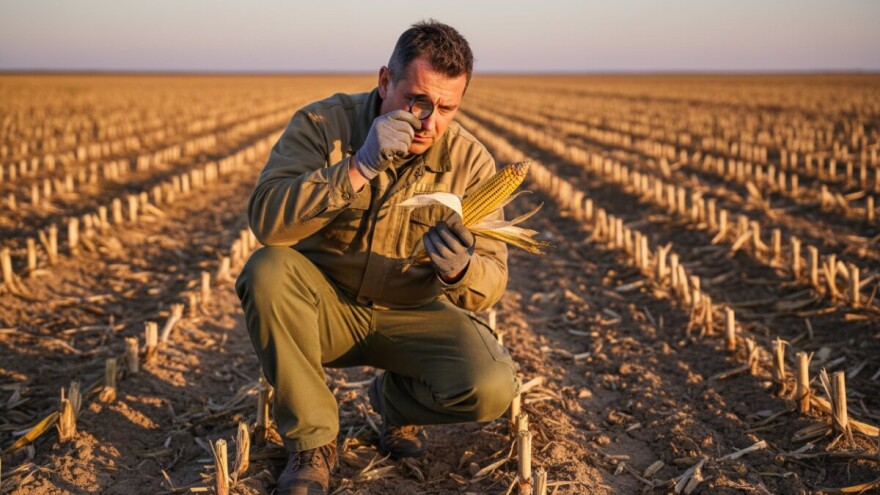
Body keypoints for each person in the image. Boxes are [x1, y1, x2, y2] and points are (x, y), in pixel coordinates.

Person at [235, 20, 517, 495]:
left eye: (447, 108)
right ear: (386, 81)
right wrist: (358, 165)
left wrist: (461, 268)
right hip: (324, 308)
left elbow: (493, 278)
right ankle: (312, 444)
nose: (430, 122)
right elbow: (268, 221)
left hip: (411, 315)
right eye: (418, 101)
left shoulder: (472, 163)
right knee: (266, 271)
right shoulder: (324, 125)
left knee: (490, 385)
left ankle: (394, 403)